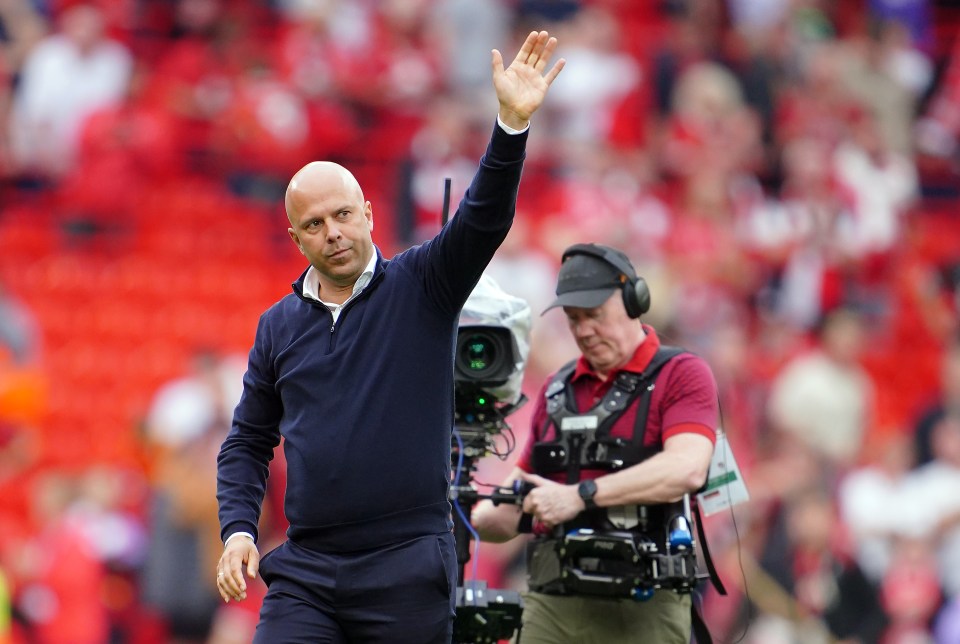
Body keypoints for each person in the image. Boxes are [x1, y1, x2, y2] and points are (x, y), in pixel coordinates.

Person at [215, 30, 564, 643]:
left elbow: (483, 220)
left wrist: (510, 126)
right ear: (297, 240)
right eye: (314, 224)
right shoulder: (278, 326)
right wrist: (239, 530)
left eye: (344, 215)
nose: (334, 233)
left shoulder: (422, 284)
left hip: (405, 562)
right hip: (308, 568)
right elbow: (246, 440)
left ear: (369, 214)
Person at [471, 242, 719, 644]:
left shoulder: (682, 374)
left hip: (645, 603)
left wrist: (580, 495)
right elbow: (513, 504)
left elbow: (687, 469)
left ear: (634, 302)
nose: (584, 330)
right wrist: (465, 515)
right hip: (555, 602)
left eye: (595, 315)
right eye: (574, 318)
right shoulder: (556, 389)